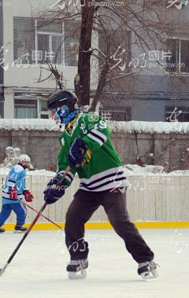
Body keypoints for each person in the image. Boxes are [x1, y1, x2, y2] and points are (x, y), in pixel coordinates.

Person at [43, 90, 158, 280]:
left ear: (65, 108)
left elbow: (103, 131)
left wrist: (83, 144)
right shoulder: (65, 137)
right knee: (72, 218)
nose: (53, 116)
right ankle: (78, 258)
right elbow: (66, 167)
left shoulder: (89, 120)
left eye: (55, 111)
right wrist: (58, 184)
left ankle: (146, 260)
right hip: (89, 187)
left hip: (111, 180)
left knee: (119, 221)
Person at [0, 154, 34, 233]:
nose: (26, 164)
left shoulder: (18, 168)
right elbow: (12, 179)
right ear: (20, 162)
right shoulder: (19, 168)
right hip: (13, 196)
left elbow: (19, 183)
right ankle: (19, 226)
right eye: (24, 162)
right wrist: (12, 189)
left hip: (6, 196)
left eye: (27, 162)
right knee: (23, 211)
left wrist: (25, 191)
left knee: (5, 212)